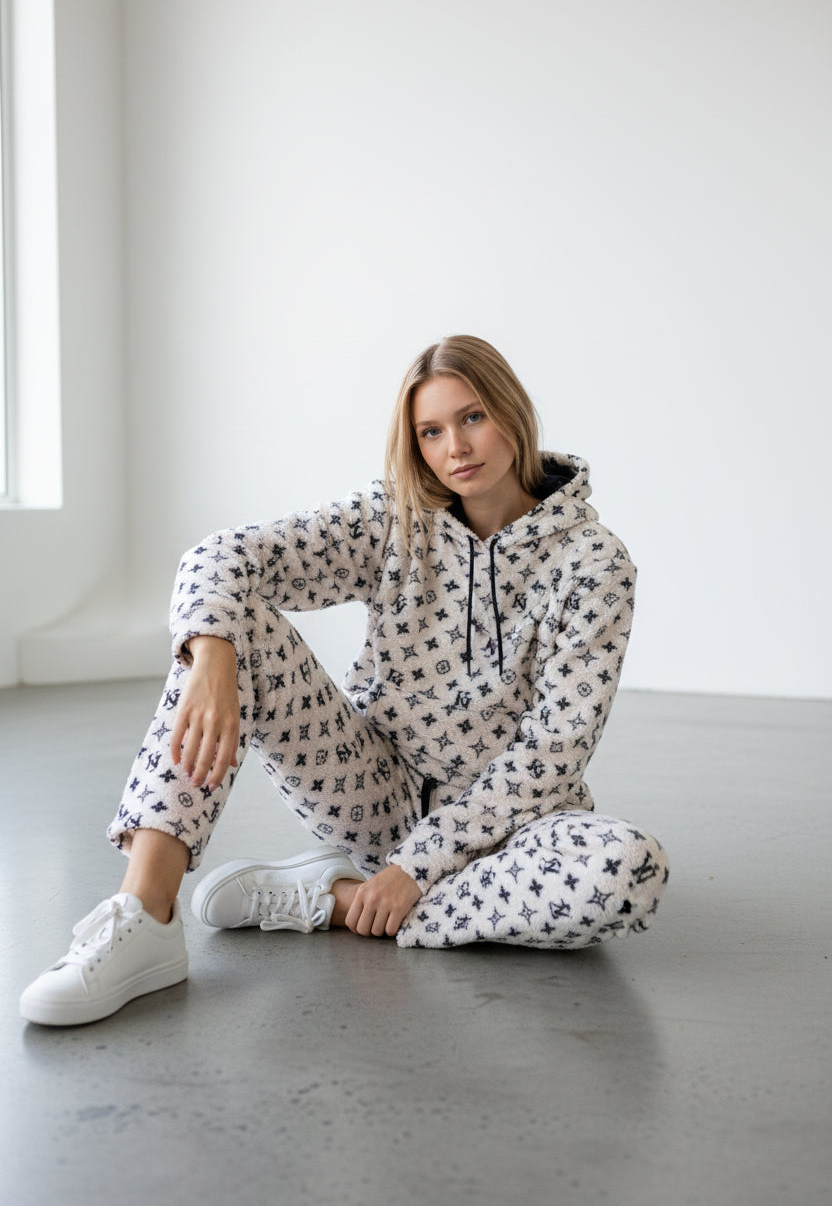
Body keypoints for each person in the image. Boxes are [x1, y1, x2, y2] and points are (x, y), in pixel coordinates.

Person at [20, 335, 669, 1026]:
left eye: (473, 417)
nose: (457, 447)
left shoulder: (594, 563)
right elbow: (225, 554)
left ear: (512, 411)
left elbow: (552, 755)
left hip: (511, 832)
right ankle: (145, 912)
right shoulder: (394, 523)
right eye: (431, 431)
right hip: (370, 796)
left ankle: (332, 902)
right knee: (230, 623)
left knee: (629, 870)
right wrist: (209, 654)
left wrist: (415, 867)